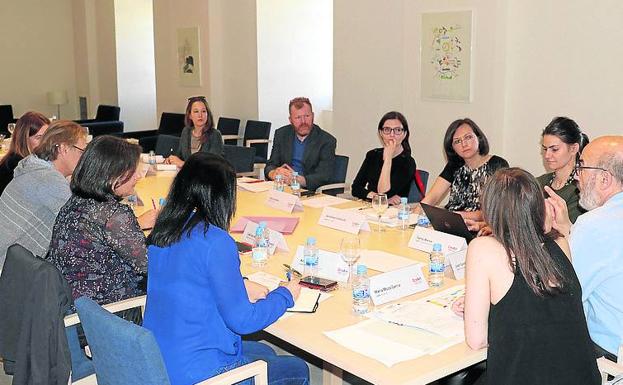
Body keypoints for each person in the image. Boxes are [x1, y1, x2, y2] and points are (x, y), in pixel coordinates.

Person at [143, 153, 309, 385]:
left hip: (160, 360)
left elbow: (189, 278)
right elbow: (243, 321)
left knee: (267, 353)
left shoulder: (164, 229)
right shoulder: (215, 240)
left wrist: (238, 283)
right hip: (200, 374)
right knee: (296, 367)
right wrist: (285, 295)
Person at [456, 167, 600, 385]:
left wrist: (478, 308)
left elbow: (477, 341)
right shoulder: (560, 242)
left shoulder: (483, 248)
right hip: (583, 376)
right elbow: (541, 305)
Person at [46, 136, 157, 304]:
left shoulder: (77, 201)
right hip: (107, 313)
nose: (138, 177)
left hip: (73, 302)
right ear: (112, 176)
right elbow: (150, 266)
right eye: (133, 171)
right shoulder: (112, 215)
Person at [547, 135, 623, 362]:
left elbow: (558, 294)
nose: (576, 177)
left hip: (607, 355)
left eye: (581, 167)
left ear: (604, 179)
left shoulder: (596, 224)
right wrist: (568, 231)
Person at [0, 120, 86, 274]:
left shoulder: (36, 168)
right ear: (64, 148)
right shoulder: (47, 180)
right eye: (82, 151)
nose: (84, 158)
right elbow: (87, 226)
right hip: (9, 273)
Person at [419, 118, 508, 221]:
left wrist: (457, 215)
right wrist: (413, 217)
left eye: (468, 137)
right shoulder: (454, 166)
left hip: (479, 227)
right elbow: (432, 197)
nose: (464, 144)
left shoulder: (497, 164)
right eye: (457, 141)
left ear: (479, 138)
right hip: (451, 223)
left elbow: (497, 211)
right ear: (452, 148)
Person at [264, 97, 336, 191]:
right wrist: (274, 173)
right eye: (298, 117)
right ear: (290, 120)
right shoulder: (281, 134)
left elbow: (323, 176)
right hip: (283, 189)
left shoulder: (326, 140)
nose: (303, 122)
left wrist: (298, 180)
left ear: (313, 116)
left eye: (307, 116)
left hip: (308, 191)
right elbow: (271, 164)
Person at [352, 111, 416, 205]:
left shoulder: (408, 162)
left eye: (398, 130)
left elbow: (383, 192)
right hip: (369, 206)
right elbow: (356, 188)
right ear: (380, 133)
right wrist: (375, 196)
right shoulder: (372, 155)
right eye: (387, 129)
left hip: (394, 212)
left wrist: (388, 159)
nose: (392, 134)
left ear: (405, 134)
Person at [537, 116, 589, 223]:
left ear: (574, 148)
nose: (547, 155)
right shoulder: (538, 182)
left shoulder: (582, 187)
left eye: (554, 149)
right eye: (545, 149)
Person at [166, 96, 223, 167]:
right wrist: (171, 160)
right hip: (187, 176)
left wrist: (183, 164)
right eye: (196, 111)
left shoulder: (215, 135)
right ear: (190, 115)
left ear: (207, 114)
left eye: (203, 111)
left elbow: (212, 165)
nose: (200, 115)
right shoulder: (186, 132)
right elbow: (179, 156)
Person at [0, 111, 50, 194]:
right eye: (39, 137)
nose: (45, 141)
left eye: (47, 136)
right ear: (24, 139)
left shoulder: (35, 159)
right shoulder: (17, 166)